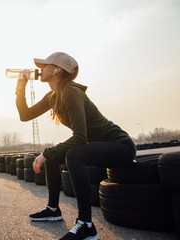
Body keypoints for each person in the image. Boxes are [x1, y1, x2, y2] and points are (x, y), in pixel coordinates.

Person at [15, 52, 136, 240]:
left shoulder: (71, 92)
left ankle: (86, 225)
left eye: (45, 65)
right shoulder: (53, 96)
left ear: (57, 70)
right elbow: (25, 115)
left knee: (73, 154)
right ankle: (53, 209)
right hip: (101, 146)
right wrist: (20, 86)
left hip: (120, 146)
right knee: (55, 155)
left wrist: (45, 153)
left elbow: (80, 137)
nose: (40, 69)